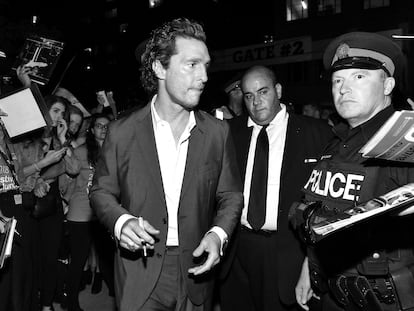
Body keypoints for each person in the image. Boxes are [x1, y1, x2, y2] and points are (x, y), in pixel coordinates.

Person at [90, 17, 243, 311]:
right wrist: (122, 222)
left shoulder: (216, 132)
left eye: (206, 65)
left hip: (196, 271)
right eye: (191, 64)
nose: (204, 77)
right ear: (160, 68)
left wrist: (218, 234)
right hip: (140, 272)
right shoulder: (122, 132)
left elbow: (231, 194)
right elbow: (100, 191)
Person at [294, 32, 414, 311]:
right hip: (334, 296)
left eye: (359, 77)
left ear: (388, 86)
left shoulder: (404, 141)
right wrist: (308, 265)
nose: (343, 88)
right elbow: (322, 211)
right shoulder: (336, 144)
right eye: (338, 80)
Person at [219, 65, 332, 311]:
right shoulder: (228, 132)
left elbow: (327, 203)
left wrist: (313, 259)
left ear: (278, 90)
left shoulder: (317, 133)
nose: (256, 102)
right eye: (248, 95)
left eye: (263, 92)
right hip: (237, 250)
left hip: (287, 251)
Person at [65, 113, 114, 311]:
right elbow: (66, 178)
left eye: (106, 126)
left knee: (108, 256)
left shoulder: (114, 152)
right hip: (81, 213)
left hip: (104, 212)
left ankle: (115, 291)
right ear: (92, 130)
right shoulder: (81, 151)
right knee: (78, 259)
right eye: (99, 126)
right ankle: (71, 303)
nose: (103, 129)